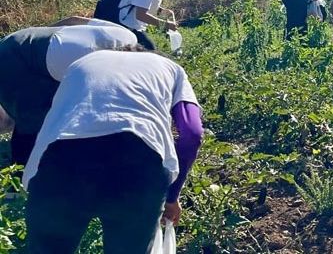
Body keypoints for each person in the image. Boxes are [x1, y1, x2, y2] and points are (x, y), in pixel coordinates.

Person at [23, 47, 203, 253]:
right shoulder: (172, 69)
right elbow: (192, 132)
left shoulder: (81, 63)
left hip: (60, 161)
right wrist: (172, 195)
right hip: (139, 166)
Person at [0, 18, 137, 165]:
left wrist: (42, 36)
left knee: (41, 110)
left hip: (22, 40)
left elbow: (74, 20)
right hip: (19, 61)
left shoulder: (127, 35)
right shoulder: (107, 66)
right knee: (32, 121)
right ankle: (21, 171)